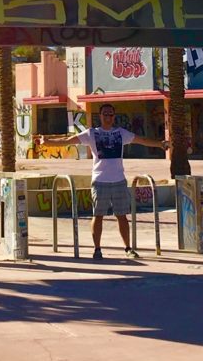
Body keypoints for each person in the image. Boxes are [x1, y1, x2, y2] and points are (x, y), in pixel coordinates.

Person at [36, 104, 167, 260]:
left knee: (122, 216)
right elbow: (68, 140)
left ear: (114, 117)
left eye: (111, 114)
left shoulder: (121, 133)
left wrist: (160, 144)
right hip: (100, 181)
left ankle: (127, 248)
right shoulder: (91, 133)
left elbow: (142, 140)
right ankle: (97, 249)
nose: (108, 117)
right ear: (100, 116)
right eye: (105, 114)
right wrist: (48, 142)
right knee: (98, 215)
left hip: (119, 180)